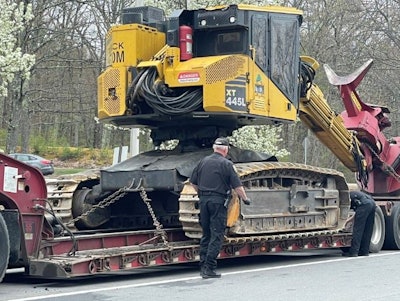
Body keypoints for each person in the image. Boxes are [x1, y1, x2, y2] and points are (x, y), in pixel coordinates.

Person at [190, 137, 251, 279]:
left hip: (203, 202)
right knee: (216, 235)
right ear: (226, 149)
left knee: (206, 235)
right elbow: (237, 186)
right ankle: (209, 268)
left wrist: (201, 193)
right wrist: (245, 199)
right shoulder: (226, 164)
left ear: (214, 148)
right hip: (217, 202)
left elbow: (193, 182)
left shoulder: (202, 162)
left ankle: (202, 266)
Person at [343, 191, 376, 257]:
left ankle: (353, 252)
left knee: (358, 229)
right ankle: (365, 251)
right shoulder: (355, 194)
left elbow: (358, 213)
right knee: (368, 230)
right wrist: (348, 221)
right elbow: (357, 214)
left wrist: (346, 222)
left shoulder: (345, 198)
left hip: (364, 204)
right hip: (372, 204)